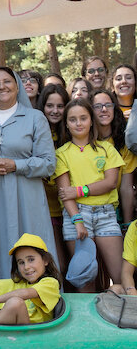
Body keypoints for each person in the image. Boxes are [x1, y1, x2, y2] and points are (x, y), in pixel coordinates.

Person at [0, 66, 56, 280]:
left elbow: (49, 163)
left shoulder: (35, 118)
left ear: (17, 86)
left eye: (7, 81)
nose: (1, 86)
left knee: (31, 245)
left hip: (28, 199)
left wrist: (16, 165)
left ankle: (40, 298)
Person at [55, 98, 124, 290]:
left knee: (120, 278)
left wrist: (79, 190)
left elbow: (110, 183)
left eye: (83, 118)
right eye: (73, 119)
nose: (78, 123)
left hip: (106, 215)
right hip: (76, 216)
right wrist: (77, 220)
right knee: (85, 281)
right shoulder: (61, 153)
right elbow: (64, 193)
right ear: (66, 124)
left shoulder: (106, 148)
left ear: (91, 120)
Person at [35, 84, 70, 274]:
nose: (55, 111)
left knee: (76, 265)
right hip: (46, 209)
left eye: (60, 106)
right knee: (59, 264)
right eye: (50, 106)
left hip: (72, 208)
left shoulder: (71, 132)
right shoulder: (35, 132)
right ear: (42, 106)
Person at [90, 88, 135, 224]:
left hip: (116, 207)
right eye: (98, 106)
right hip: (89, 207)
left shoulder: (124, 142)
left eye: (108, 105)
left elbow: (126, 187)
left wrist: (127, 224)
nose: (104, 109)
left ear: (114, 109)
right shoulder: (85, 141)